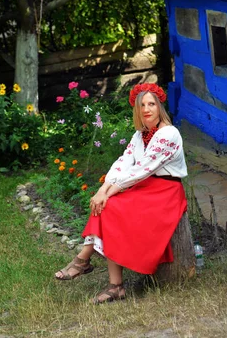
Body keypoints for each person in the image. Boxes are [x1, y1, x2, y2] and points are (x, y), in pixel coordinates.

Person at [54, 83, 188, 304]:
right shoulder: (140, 135)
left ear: (159, 107)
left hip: (165, 192)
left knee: (111, 206)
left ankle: (83, 262)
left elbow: (142, 169)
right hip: (145, 187)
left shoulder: (169, 134)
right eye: (142, 105)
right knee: (105, 205)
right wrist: (102, 190)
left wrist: (110, 192)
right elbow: (123, 163)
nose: (147, 109)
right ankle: (113, 284)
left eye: (151, 104)